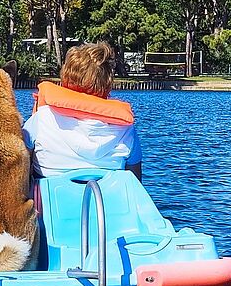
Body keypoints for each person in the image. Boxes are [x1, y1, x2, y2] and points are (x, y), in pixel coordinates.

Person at [22, 41, 142, 181]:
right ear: (108, 84)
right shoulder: (127, 131)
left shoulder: (41, 119)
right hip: (103, 201)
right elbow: (135, 182)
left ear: (66, 78)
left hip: (50, 199)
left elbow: (21, 169)